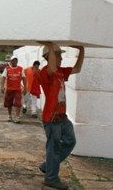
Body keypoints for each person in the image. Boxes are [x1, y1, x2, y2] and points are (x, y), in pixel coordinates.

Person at [38, 42, 84, 190]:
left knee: (70, 142)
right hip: (52, 119)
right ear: (49, 56)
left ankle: (48, 166)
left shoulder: (60, 72)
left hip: (62, 117)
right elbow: (51, 67)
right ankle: (51, 178)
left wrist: (82, 50)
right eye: (58, 55)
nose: (61, 58)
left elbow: (77, 68)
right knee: (54, 148)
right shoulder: (45, 72)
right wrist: (51, 46)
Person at [1, 56, 26, 123]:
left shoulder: (21, 69)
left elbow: (24, 78)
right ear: (10, 61)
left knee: (18, 103)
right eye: (13, 60)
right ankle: (9, 116)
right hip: (9, 89)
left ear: (17, 61)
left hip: (17, 89)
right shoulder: (7, 69)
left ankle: (17, 117)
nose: (14, 62)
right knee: (9, 103)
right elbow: (3, 78)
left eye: (15, 60)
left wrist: (25, 88)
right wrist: (2, 86)